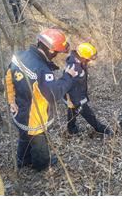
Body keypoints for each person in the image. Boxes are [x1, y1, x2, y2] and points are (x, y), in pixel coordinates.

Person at [5, 28, 79, 171]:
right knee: (40, 146)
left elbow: (8, 77)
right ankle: (41, 165)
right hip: (34, 118)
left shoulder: (18, 56)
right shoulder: (42, 70)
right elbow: (54, 93)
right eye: (57, 52)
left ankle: (22, 160)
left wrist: (11, 101)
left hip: (19, 111)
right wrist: (68, 76)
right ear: (51, 51)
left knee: (24, 137)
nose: (56, 55)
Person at [63, 43, 114, 137]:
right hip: (74, 96)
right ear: (83, 56)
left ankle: (71, 129)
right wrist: (78, 102)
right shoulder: (74, 67)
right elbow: (69, 85)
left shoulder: (79, 61)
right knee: (88, 114)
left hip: (76, 93)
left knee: (72, 112)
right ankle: (101, 129)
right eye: (89, 58)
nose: (89, 61)